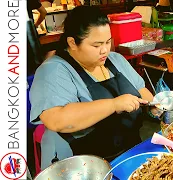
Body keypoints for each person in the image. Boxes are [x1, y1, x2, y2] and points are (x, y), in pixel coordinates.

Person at [30, 6, 161, 170]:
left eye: (108, 41)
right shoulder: (53, 71)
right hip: (82, 167)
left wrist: (155, 106)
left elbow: (140, 90)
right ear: (72, 43)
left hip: (129, 153)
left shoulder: (115, 59)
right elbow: (56, 119)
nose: (105, 50)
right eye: (96, 45)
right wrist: (114, 104)